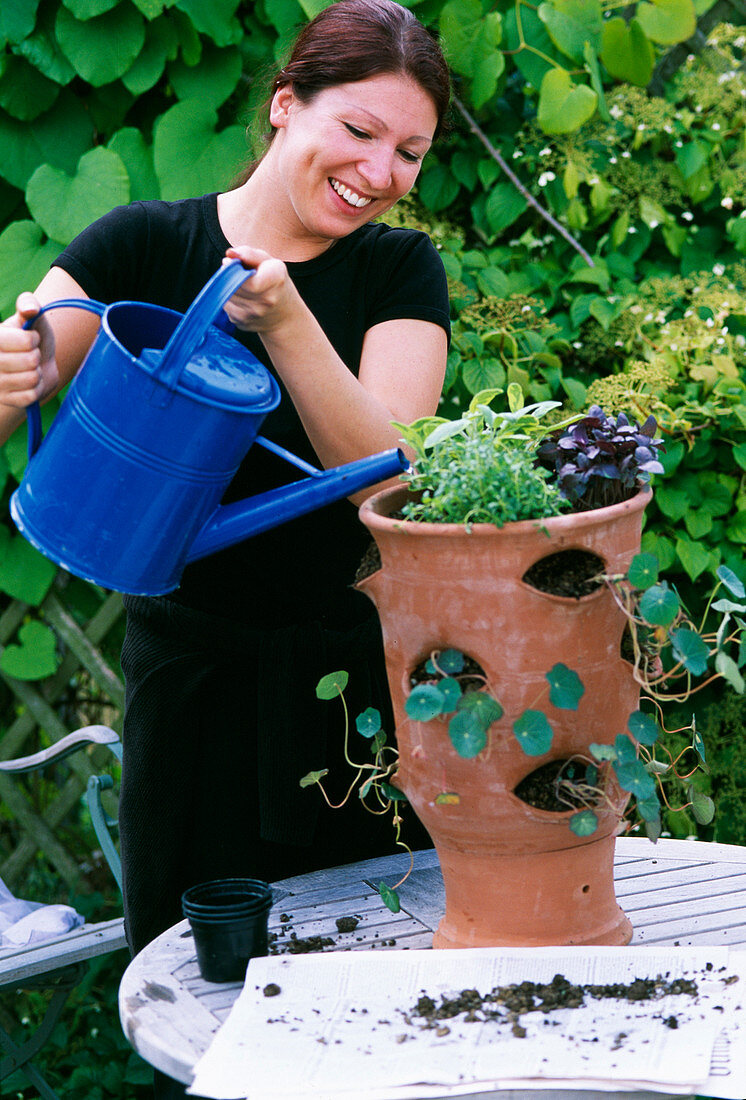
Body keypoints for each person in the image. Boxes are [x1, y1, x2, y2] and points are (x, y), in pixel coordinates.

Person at [0, 0, 450, 1092]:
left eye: (409, 152)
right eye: (358, 130)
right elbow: (41, 346)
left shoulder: (398, 275)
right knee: (201, 1006)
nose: (380, 170)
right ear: (283, 104)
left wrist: (289, 322)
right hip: (189, 689)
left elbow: (388, 473)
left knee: (379, 995)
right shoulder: (142, 243)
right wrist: (13, 368)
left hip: (352, 694)